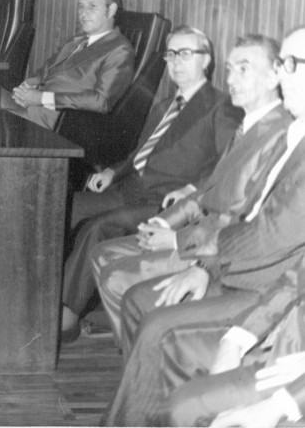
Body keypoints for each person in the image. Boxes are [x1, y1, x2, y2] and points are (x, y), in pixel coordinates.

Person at [102, 27, 305, 427]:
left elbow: (266, 234)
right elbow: (232, 203)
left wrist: (192, 251)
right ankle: (141, 404)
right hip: (247, 268)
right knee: (142, 305)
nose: (283, 74)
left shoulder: (280, 130)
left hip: (263, 284)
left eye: (291, 64)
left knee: (157, 325)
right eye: (282, 63)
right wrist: (200, 263)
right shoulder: (292, 136)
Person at [93, 33, 291, 343]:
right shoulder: (248, 124)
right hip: (199, 232)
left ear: (273, 76)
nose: (231, 79)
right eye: (230, 69)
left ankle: (145, 352)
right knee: (103, 256)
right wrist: (164, 223)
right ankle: (139, 350)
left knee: (117, 278)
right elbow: (207, 190)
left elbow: (241, 216)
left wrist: (176, 239)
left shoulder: (278, 132)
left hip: (217, 250)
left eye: (244, 69)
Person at [61, 25, 243, 341]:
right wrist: (112, 172)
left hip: (163, 203)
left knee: (98, 228)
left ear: (206, 60)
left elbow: (227, 167)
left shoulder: (221, 106)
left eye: (185, 53)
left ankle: (67, 316)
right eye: (171, 54)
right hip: (128, 189)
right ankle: (45, 295)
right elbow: (140, 152)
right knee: (65, 208)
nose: (176, 62)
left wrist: (191, 190)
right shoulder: (164, 105)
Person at [0, 0, 135, 130]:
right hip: (34, 107)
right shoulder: (77, 41)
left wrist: (42, 98)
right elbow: (45, 72)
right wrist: (26, 87)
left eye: (92, 6)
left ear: (111, 10)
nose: (83, 13)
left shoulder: (119, 50)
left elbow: (101, 101)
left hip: (59, 122)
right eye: (81, 6)